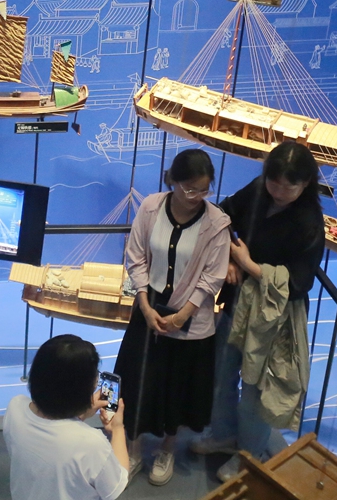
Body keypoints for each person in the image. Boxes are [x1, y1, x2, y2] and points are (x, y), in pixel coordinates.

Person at [191, 141, 323, 481]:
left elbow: (300, 282)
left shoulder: (309, 222)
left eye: (288, 185)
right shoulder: (257, 191)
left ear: (305, 183)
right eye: (273, 181)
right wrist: (227, 257)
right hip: (236, 303)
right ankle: (222, 433)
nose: (279, 190)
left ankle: (248, 453)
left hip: (273, 318)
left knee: (255, 390)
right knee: (221, 373)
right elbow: (222, 214)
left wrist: (249, 265)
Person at [114, 148, 231, 486]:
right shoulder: (151, 207)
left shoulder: (216, 223)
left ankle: (167, 448)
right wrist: (145, 305)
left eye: (203, 190)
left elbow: (213, 276)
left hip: (190, 321)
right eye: (188, 189)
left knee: (176, 390)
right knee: (137, 383)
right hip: (148, 311)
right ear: (173, 181)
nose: (195, 197)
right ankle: (132, 449)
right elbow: (135, 257)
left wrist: (182, 315)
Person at [2, 335, 129, 500]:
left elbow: (55, 437)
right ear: (80, 389)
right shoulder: (91, 443)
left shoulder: (15, 407)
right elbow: (117, 484)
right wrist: (118, 430)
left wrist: (80, 414)